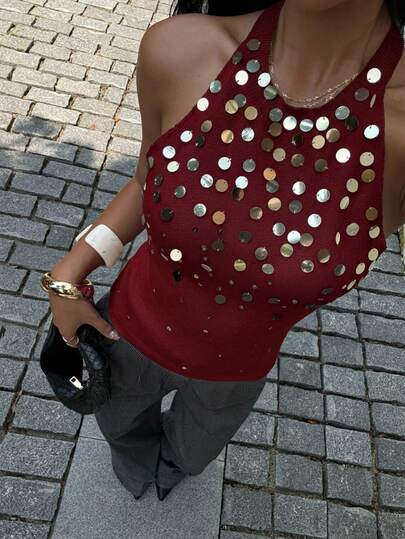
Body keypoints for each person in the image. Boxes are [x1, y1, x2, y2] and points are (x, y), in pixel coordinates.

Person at [42, 0, 405, 503]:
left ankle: (170, 470)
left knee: (191, 456)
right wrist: (70, 270)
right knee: (120, 430)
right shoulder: (179, 50)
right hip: (126, 332)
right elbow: (148, 181)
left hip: (235, 373)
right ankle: (136, 465)